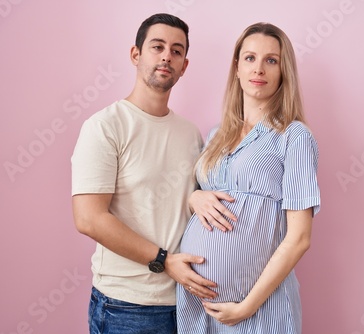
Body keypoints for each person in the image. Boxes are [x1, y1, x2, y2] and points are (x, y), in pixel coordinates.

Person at [71, 13, 217, 334]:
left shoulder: (190, 134)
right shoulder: (105, 127)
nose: (167, 56)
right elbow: (89, 218)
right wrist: (164, 261)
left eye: (177, 51)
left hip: (184, 304)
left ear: (184, 66)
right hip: (126, 306)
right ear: (136, 55)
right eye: (157, 46)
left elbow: (184, 205)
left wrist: (197, 196)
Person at [176, 22, 321, 333]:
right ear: (237, 67)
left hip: (258, 310)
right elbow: (202, 198)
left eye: (272, 60)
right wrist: (194, 197)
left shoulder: (294, 137)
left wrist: (246, 307)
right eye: (250, 58)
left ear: (284, 72)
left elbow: (299, 239)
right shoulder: (216, 134)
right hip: (199, 308)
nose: (260, 68)